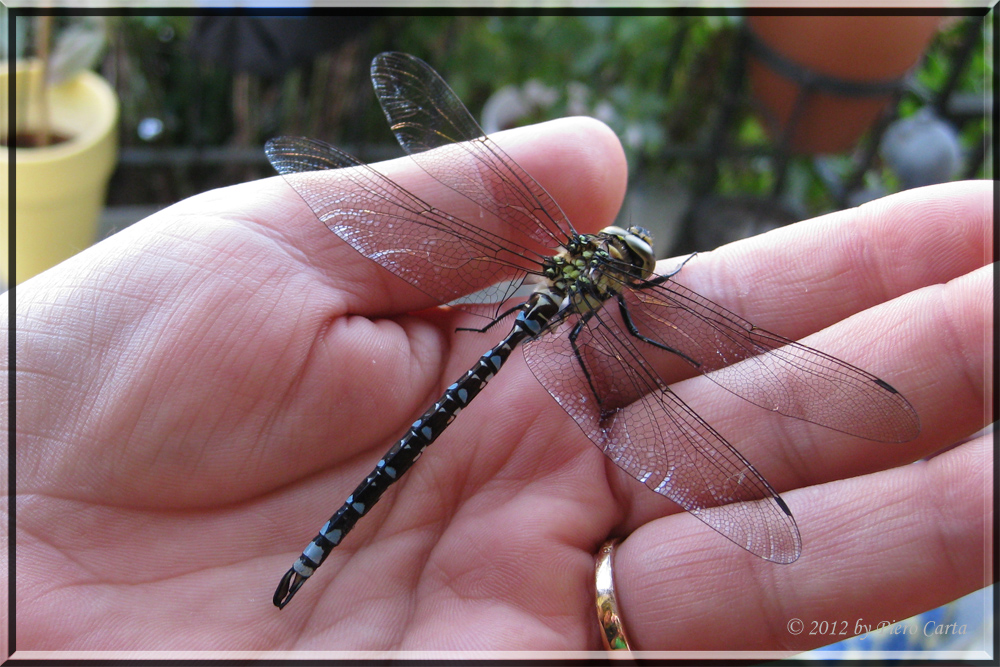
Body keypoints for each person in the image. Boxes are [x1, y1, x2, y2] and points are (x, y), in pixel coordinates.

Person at [5, 118, 992, 653]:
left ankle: (312, 552)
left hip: (500, 323)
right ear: (623, 272)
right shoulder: (625, 306)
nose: (633, 264)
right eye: (633, 262)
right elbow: (662, 338)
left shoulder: (551, 257)